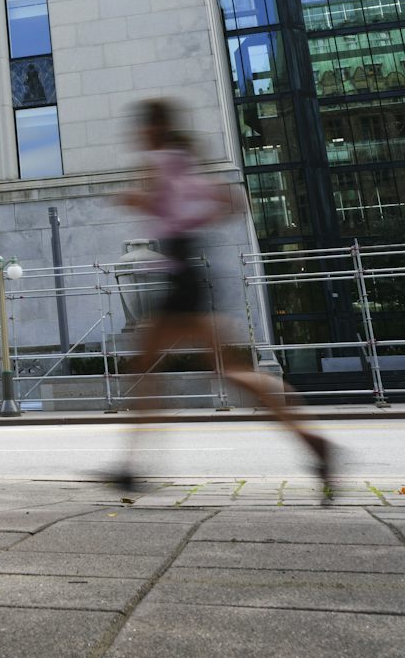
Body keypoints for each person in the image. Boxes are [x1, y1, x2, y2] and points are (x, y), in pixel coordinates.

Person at [104, 99, 336, 496]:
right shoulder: (180, 161)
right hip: (189, 273)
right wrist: (187, 216)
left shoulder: (161, 162)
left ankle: (134, 467)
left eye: (141, 127)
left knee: (145, 367)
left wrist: (138, 199)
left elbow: (177, 202)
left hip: (182, 279)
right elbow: (230, 200)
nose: (137, 135)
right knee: (222, 370)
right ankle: (313, 442)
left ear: (153, 128)